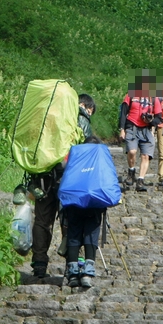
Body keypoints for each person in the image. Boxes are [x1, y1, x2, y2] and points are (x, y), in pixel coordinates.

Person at [28, 94, 97, 279]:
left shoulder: (48, 116)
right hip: (68, 178)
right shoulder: (81, 120)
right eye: (90, 110)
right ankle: (72, 264)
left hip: (43, 176)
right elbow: (86, 152)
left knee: (42, 221)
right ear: (84, 106)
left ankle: (39, 264)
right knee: (69, 221)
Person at [63, 136, 106, 288]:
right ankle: (88, 272)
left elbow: (65, 170)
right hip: (94, 203)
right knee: (91, 235)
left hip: (74, 201)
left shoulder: (75, 154)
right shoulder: (100, 157)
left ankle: (73, 273)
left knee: (73, 235)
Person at [119, 94, 162, 191]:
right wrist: (122, 129)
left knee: (145, 156)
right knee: (132, 151)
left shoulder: (154, 98)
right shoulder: (130, 95)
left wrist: (150, 121)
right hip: (131, 127)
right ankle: (131, 171)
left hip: (146, 130)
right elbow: (123, 112)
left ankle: (140, 180)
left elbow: (159, 117)